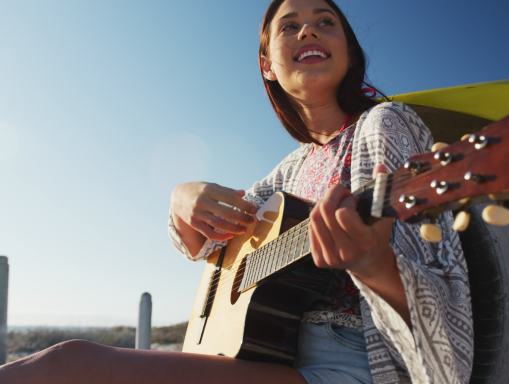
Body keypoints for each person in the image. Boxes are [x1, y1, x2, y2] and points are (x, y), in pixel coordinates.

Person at [0, 0, 473, 383]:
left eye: (325, 22)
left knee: (67, 367)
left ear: (348, 50)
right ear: (267, 65)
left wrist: (375, 266)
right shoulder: (287, 172)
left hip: (356, 362)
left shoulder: (384, 126)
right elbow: (209, 249)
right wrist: (181, 199)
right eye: (290, 26)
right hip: (274, 357)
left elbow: (449, 318)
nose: (309, 31)